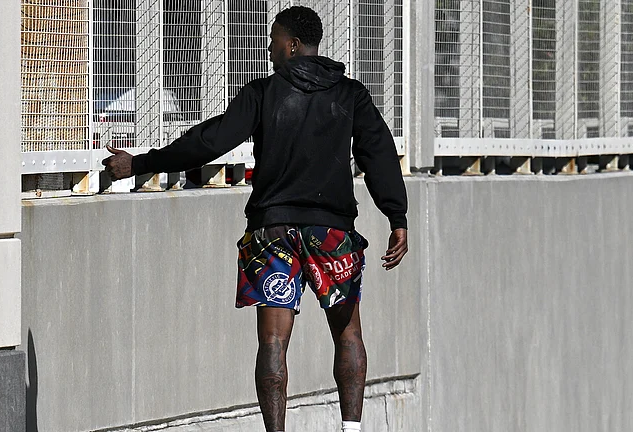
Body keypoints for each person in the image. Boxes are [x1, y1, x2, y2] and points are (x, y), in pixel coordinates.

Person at [102, 6, 408, 432]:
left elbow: (210, 140)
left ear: (293, 45)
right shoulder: (350, 95)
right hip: (331, 232)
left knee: (273, 341)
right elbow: (378, 153)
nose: (268, 48)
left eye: (274, 39)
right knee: (348, 333)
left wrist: (141, 164)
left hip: (273, 231)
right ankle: (351, 428)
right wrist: (397, 215)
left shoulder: (263, 93)